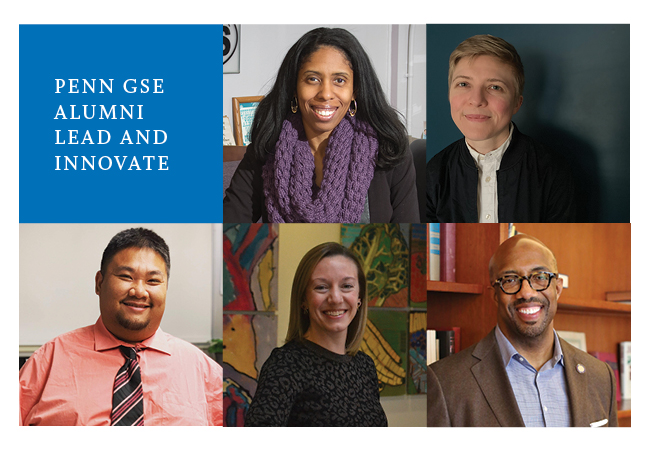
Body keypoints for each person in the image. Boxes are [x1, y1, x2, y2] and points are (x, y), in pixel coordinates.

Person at [19, 228, 223, 426]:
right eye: (126, 277)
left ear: (166, 288)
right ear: (99, 283)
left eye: (153, 281)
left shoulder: (204, 371)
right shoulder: (48, 360)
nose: (139, 291)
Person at [224, 27, 419, 223]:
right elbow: (227, 227)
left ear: (355, 90)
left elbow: (408, 238)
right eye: (313, 79)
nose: (326, 93)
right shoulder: (267, 146)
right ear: (294, 87)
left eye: (339, 80)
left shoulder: (389, 149)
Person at [427, 234, 618, 427]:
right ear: (495, 295)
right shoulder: (445, 384)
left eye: (540, 277)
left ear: (558, 289)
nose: (526, 292)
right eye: (510, 280)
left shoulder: (601, 376)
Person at [426, 34, 576, 223]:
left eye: (495, 87)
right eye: (463, 84)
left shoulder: (552, 171)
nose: (477, 100)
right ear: (449, 95)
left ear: (516, 103)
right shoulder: (433, 172)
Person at [245, 242, 387, 426]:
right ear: (304, 299)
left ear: (359, 297)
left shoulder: (365, 366)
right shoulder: (285, 365)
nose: (335, 298)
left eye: (346, 286)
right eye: (321, 287)